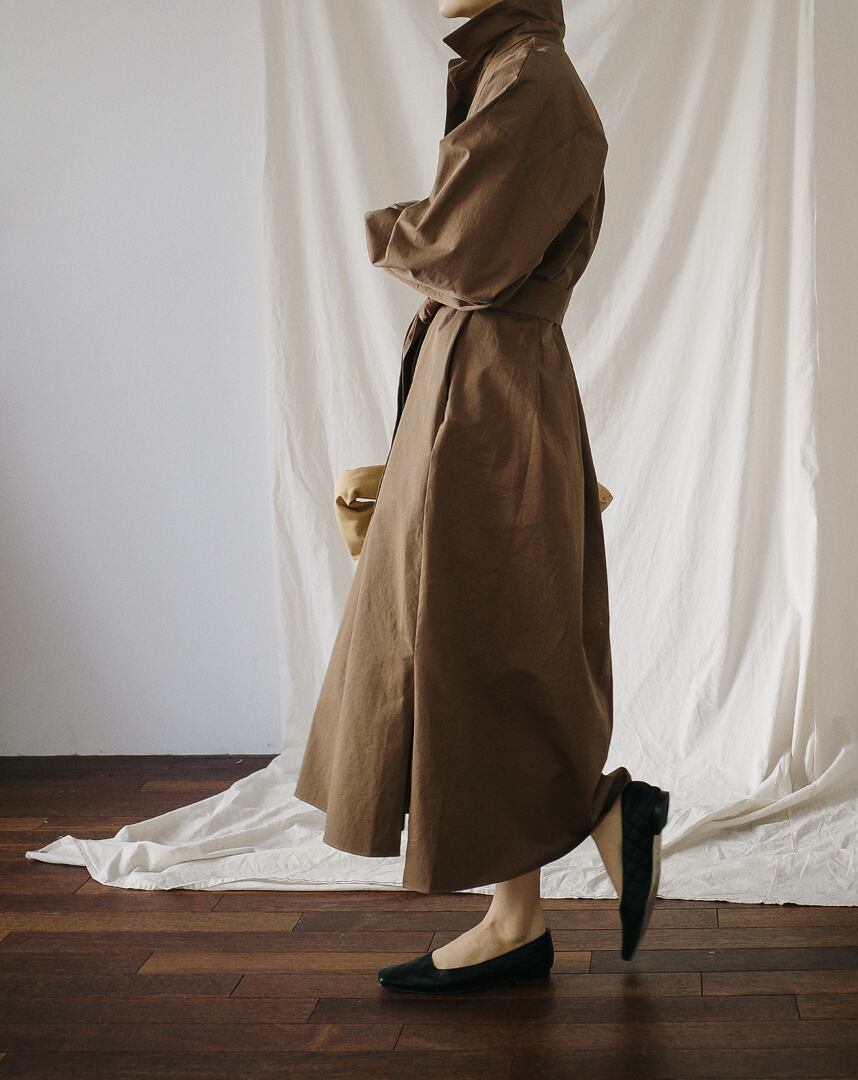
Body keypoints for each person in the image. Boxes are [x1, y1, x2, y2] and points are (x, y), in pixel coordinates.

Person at [293, 0, 671, 993]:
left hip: (490, 399)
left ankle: (563, 862)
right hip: (484, 386)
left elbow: (462, 249)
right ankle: (526, 904)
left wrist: (380, 226)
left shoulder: (533, 78)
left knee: (489, 640)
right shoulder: (514, 69)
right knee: (481, 640)